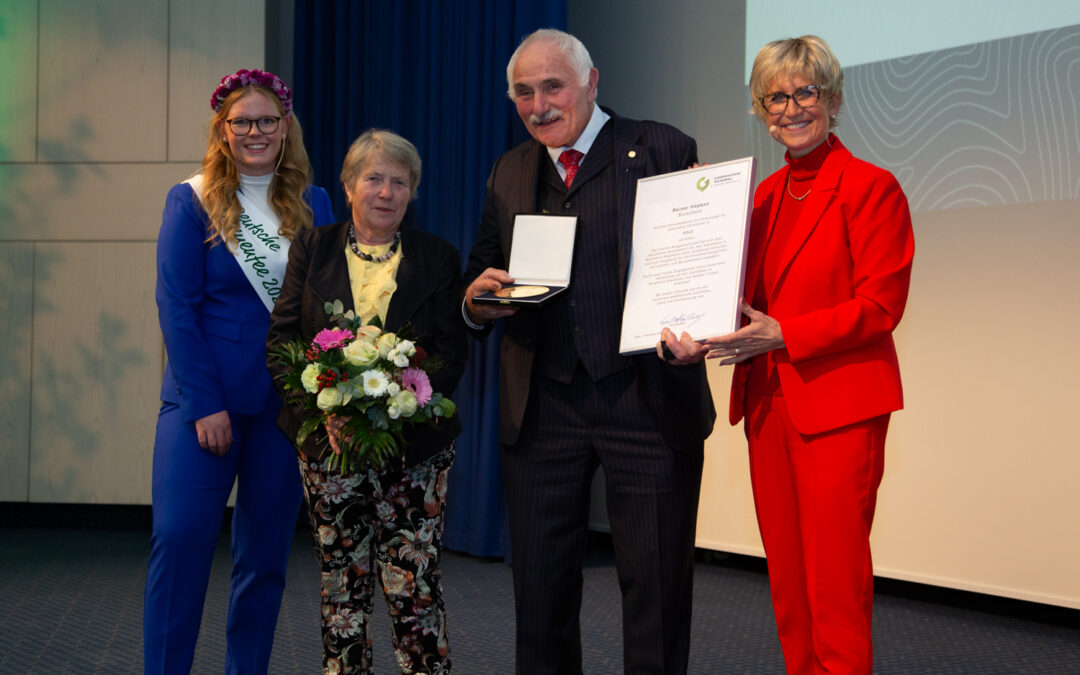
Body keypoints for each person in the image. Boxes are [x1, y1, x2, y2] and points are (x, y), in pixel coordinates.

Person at [463, 28, 715, 674]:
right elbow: (484, 270)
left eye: (553, 86)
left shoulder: (662, 147)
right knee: (540, 596)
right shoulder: (509, 170)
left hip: (647, 401)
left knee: (656, 592)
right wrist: (476, 300)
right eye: (524, 92)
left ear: (592, 82)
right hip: (542, 408)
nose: (539, 103)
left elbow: (698, 253)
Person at [663, 35, 915, 674]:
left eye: (805, 92)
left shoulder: (870, 187)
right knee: (788, 582)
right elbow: (734, 299)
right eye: (774, 97)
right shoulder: (761, 196)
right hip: (769, 402)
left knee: (835, 581)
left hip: (839, 408)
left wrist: (787, 335)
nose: (790, 107)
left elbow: (880, 307)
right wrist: (697, 220)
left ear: (832, 100)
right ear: (761, 108)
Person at [146, 68, 335, 674]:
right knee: (180, 548)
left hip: (282, 409)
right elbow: (177, 307)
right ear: (223, 131)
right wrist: (205, 405)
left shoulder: (316, 201)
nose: (255, 131)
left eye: (267, 121)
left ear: (286, 127)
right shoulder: (191, 198)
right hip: (204, 405)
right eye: (242, 122)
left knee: (265, 559)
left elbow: (321, 305)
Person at [267, 129, 467, 674]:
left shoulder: (439, 257)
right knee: (342, 585)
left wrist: (403, 409)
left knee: (414, 585)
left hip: (414, 451)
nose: (386, 192)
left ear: (412, 192)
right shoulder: (311, 247)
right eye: (373, 179)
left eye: (399, 181)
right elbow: (284, 340)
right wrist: (324, 413)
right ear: (349, 186)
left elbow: (451, 352)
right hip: (328, 450)